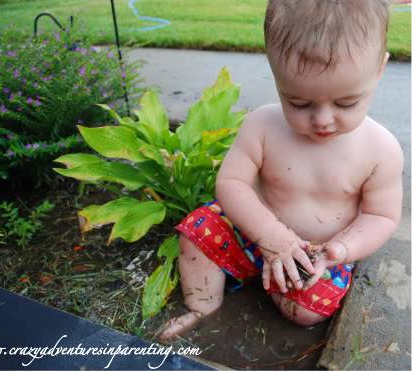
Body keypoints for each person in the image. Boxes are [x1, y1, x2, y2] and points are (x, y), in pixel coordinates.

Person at [159, 0, 403, 341]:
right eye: (298, 103)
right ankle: (203, 307)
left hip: (317, 254)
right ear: (276, 75)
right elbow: (231, 183)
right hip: (252, 232)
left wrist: (341, 249)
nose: (322, 120)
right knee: (197, 232)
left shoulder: (381, 150)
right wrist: (270, 238)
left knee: (306, 312)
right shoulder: (262, 125)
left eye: (346, 103)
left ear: (379, 69)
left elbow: (381, 216)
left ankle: (277, 286)